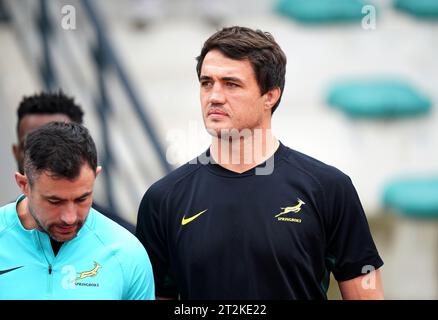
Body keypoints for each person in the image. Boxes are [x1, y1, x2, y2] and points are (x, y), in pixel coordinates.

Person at [136, 26, 384, 300]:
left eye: (231, 84)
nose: (214, 96)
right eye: (207, 83)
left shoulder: (329, 188)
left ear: (270, 95)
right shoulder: (162, 200)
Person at [0, 122, 154, 299]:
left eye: (82, 199)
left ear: (95, 177)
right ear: (24, 185)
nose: (70, 218)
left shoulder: (127, 253)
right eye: (55, 201)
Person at [11, 91, 136, 234]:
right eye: (31, 144)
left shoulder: (123, 242)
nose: (47, 153)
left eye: (61, 142)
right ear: (16, 152)